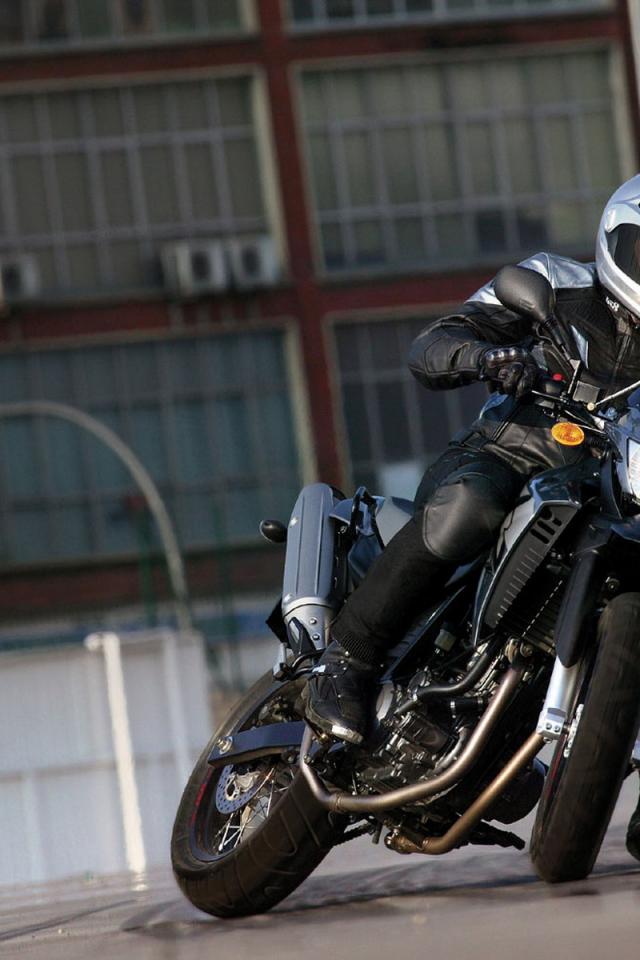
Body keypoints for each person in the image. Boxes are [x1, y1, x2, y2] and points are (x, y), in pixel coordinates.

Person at [303, 173, 640, 861]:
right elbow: (434, 344)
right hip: (507, 459)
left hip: (614, 502)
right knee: (469, 511)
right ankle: (349, 661)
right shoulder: (558, 285)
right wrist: (489, 356)